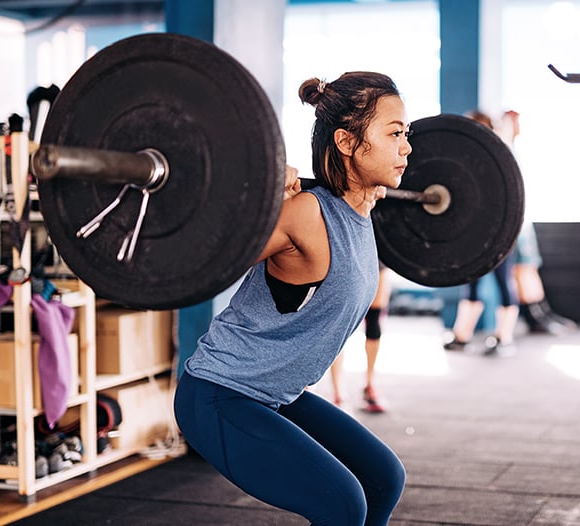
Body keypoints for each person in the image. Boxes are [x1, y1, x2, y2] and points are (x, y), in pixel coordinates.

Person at [173, 72, 409, 525]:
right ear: (346, 141)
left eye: (407, 134)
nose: (407, 147)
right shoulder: (304, 213)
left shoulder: (361, 209)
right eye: (395, 133)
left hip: (277, 394)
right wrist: (258, 198)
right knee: (342, 504)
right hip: (220, 394)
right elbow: (203, 258)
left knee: (383, 478)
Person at [442, 110, 521, 357]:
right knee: (472, 285)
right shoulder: (467, 158)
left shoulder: (501, 155)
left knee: (503, 283)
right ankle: (462, 336)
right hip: (474, 233)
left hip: (501, 232)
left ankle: (504, 337)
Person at [496, 110, 576, 336]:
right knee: (521, 269)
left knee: (528, 266)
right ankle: (535, 317)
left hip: (521, 218)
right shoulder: (502, 147)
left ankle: (541, 313)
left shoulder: (513, 149)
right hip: (512, 222)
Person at [328, 263, 392, 413]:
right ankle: (338, 394)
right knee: (341, 322)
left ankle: (369, 385)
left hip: (379, 255)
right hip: (348, 257)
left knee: (374, 318)